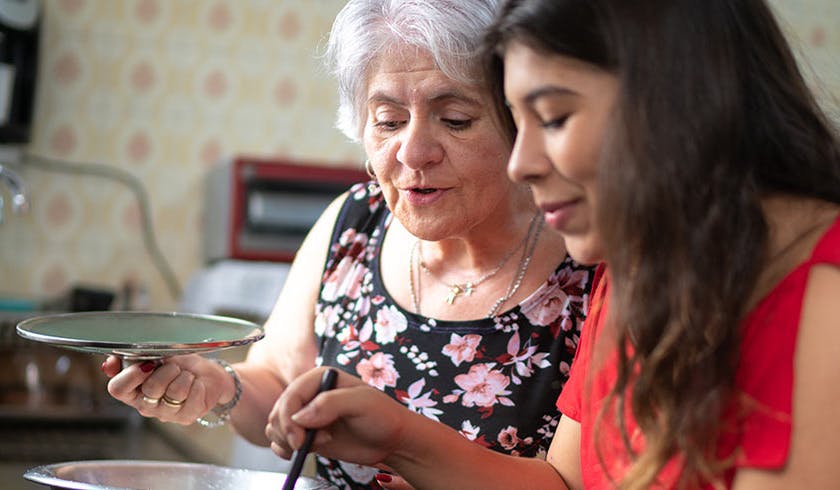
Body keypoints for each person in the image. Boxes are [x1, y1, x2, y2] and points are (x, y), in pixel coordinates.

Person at [266, 0, 840, 488]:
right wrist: (398, 438)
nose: (523, 163)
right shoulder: (638, 270)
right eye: (518, 120)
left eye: (555, 117)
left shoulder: (822, 294)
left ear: (678, 100)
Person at [101, 1, 595, 488]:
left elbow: (569, 484)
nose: (414, 152)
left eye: (456, 120)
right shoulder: (352, 225)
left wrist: (403, 444)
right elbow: (278, 386)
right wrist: (218, 386)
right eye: (388, 120)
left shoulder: (588, 255)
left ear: (519, 120)